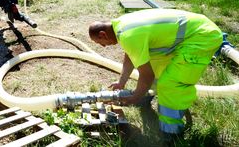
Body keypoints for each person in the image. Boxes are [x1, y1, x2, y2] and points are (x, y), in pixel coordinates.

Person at [88, 8, 223, 139]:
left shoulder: (128, 35)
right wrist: (121, 82)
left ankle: (172, 133)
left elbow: (147, 76)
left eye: (100, 42)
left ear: (102, 34)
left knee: (170, 84)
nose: (103, 46)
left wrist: (135, 97)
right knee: (155, 66)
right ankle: (148, 95)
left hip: (202, 36)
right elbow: (131, 54)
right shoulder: (121, 26)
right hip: (195, 30)